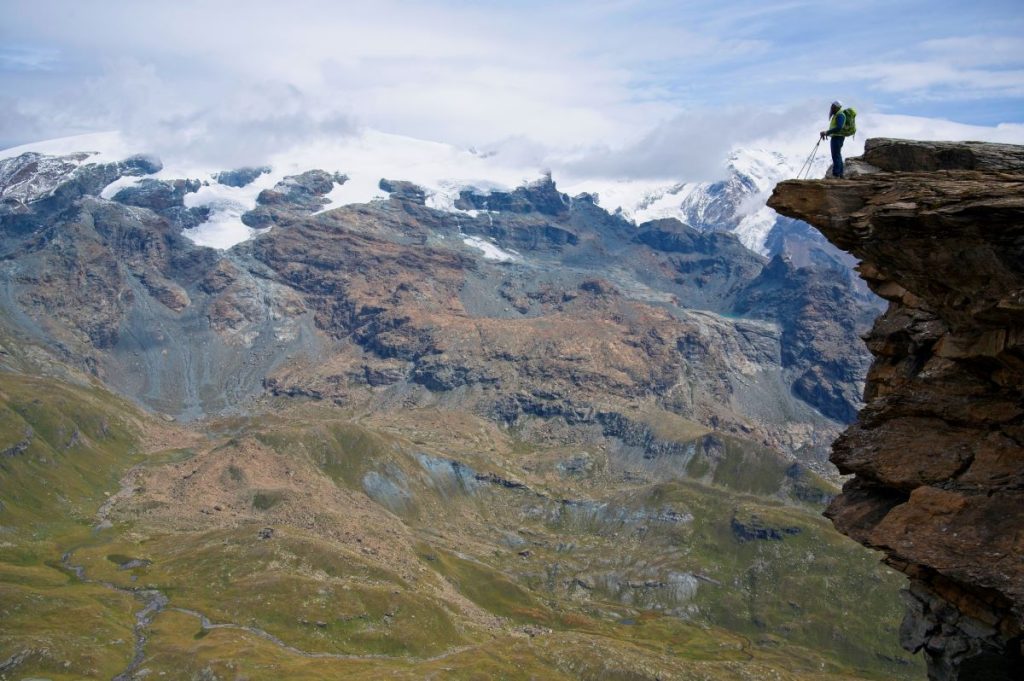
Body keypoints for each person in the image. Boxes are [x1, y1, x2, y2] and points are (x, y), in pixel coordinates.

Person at [820, 101, 849, 178]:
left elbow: (839, 127)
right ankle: (840, 174)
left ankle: (836, 174)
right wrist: (828, 133)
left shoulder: (840, 115)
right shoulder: (838, 114)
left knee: (835, 155)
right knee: (837, 155)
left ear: (837, 107)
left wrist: (827, 132)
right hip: (837, 137)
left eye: (833, 106)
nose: (831, 107)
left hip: (837, 137)